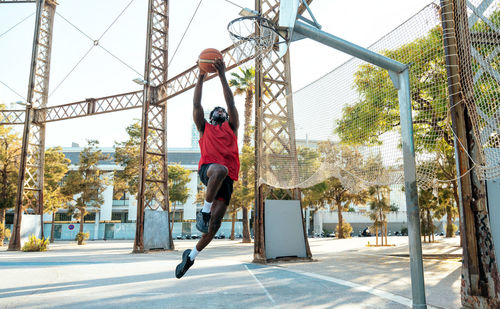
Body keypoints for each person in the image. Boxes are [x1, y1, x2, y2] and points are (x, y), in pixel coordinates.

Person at [175, 58, 240, 279]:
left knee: (214, 226)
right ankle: (203, 211)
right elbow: (196, 105)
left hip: (227, 182)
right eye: (218, 110)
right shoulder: (204, 128)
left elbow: (231, 104)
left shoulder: (231, 127)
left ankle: (190, 257)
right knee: (220, 169)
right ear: (211, 117)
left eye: (224, 111)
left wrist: (222, 76)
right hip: (210, 171)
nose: (222, 111)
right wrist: (200, 78)